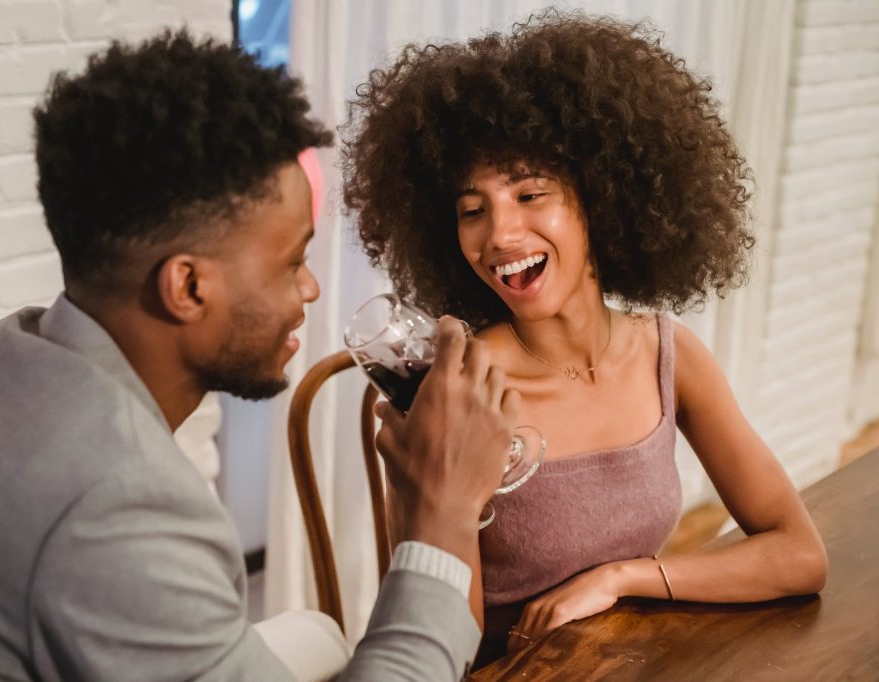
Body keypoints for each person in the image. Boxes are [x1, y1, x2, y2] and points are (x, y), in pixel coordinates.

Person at [0, 31, 520, 681]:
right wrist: (441, 513)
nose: (311, 289)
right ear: (187, 286)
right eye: (292, 261)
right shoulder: (121, 512)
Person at [341, 11, 828, 667]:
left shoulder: (668, 355)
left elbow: (799, 553)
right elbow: (445, 648)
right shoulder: (457, 397)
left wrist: (623, 577)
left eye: (530, 193)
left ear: (599, 199)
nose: (500, 236)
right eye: (472, 210)